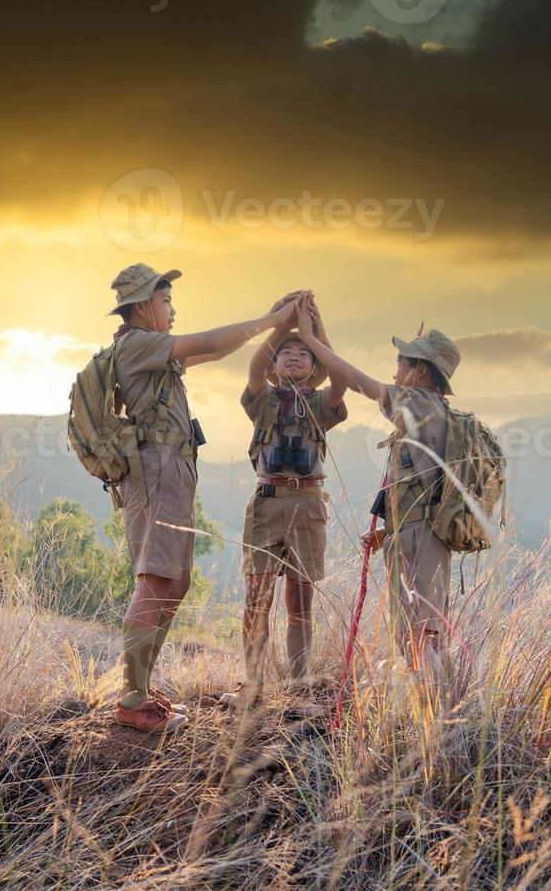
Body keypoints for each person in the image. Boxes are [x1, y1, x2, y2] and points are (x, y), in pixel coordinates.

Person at [107, 263, 301, 734]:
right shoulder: (136, 344)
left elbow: (216, 352)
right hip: (156, 473)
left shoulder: (150, 351)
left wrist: (273, 321)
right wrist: (273, 321)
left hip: (170, 472)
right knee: (155, 581)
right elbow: (212, 343)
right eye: (165, 301)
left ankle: (141, 688)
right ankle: (132, 701)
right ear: (141, 306)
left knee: (175, 582)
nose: (172, 310)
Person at [289, 301, 463, 681]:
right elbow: (424, 486)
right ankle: (440, 720)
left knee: (421, 637)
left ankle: (436, 725)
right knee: (425, 632)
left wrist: (311, 340)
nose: (397, 367)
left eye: (403, 360)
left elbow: (358, 383)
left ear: (420, 371)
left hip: (418, 540)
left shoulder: (418, 402)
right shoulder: (435, 410)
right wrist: (389, 532)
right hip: (420, 536)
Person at [220, 293, 348, 713]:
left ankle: (297, 684)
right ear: (275, 363)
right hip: (267, 500)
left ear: (315, 366)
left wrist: (313, 328)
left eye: (303, 354)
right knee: (257, 596)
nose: (293, 357)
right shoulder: (264, 400)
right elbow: (254, 366)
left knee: (300, 597)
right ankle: (252, 684)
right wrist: (280, 323)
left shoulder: (320, 403)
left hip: (308, 503)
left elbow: (341, 379)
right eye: (285, 354)